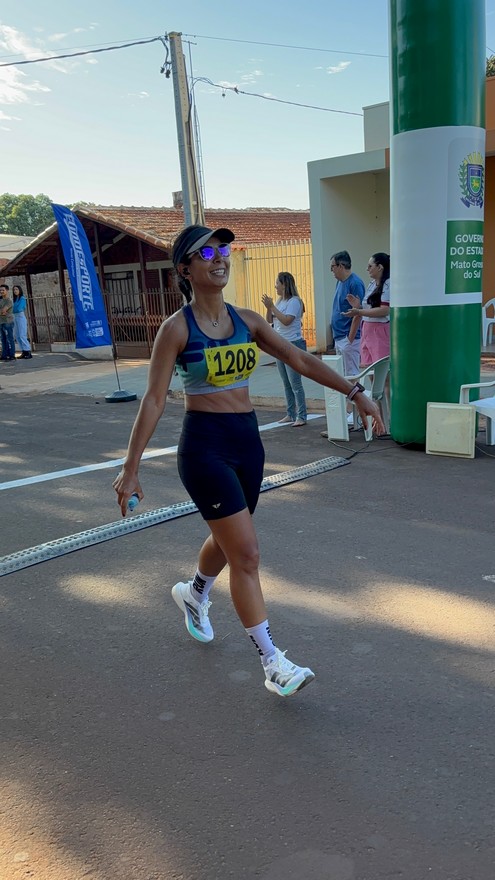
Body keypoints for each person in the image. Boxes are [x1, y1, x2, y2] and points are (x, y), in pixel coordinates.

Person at [113, 225, 384, 699]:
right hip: (205, 448)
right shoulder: (176, 328)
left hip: (247, 444)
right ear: (185, 269)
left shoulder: (247, 321)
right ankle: (272, 662)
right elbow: (154, 400)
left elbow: (300, 360)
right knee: (247, 554)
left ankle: (194, 594)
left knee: (227, 539)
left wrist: (355, 391)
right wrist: (130, 467)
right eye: (206, 252)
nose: (220, 257)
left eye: (224, 249)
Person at [261, 271, 307, 427]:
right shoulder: (280, 301)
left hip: (293, 344)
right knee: (286, 382)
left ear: (285, 284)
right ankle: (290, 413)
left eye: (277, 283)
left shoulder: (294, 301)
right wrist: (269, 308)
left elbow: (287, 321)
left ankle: (301, 415)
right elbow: (269, 320)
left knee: (295, 383)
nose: (275, 286)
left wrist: (272, 306)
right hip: (280, 344)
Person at [343, 252, 390, 366]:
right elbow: (369, 308)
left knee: (382, 372)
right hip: (366, 329)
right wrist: (358, 306)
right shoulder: (372, 284)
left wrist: (359, 311)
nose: (367, 269)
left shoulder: (388, 284)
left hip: (379, 331)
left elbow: (384, 310)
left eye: (370, 266)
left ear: (380, 267)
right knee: (369, 369)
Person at [329, 251, 365, 376]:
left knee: (351, 375)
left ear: (341, 266)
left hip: (348, 338)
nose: (331, 270)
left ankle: (355, 396)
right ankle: (347, 397)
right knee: (342, 376)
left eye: (332, 266)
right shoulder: (339, 282)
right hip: (339, 336)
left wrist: (349, 340)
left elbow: (358, 312)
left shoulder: (355, 283)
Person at [12, 284, 33, 359]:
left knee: (22, 335)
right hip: (15, 317)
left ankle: (28, 351)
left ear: (20, 290)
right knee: (17, 336)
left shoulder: (22, 298)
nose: (15, 291)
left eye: (16, 289)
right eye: (14, 290)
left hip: (20, 316)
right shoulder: (15, 299)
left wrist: (11, 309)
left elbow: (19, 308)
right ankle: (23, 351)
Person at [0, 283, 16, 361]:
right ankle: (4, 355)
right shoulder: (0, 300)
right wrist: (2, 312)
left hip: (8, 321)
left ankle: (12, 355)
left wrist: (3, 311)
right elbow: (2, 311)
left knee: (10, 339)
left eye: (3, 290)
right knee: (3, 339)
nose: (1, 291)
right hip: (1, 322)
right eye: (0, 290)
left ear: (7, 291)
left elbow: (3, 310)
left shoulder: (9, 301)